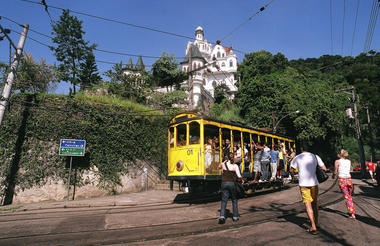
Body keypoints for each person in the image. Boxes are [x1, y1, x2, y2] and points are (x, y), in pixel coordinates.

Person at [290, 142, 327, 235]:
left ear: (301, 148)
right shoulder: (315, 156)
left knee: (307, 205)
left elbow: (291, 170)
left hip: (303, 184)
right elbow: (324, 168)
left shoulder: (297, 158)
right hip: (314, 183)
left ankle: (313, 225)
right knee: (315, 203)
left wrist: (293, 178)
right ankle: (317, 222)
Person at [218, 152, 242, 224]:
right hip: (232, 184)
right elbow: (239, 176)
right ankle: (235, 217)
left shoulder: (224, 164)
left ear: (227, 157)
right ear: (233, 157)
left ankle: (222, 216)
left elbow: (219, 167)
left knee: (224, 200)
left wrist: (224, 162)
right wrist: (241, 180)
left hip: (224, 183)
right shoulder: (235, 166)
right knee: (234, 199)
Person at [332, 149, 356, 219]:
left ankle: (352, 213)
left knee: (347, 197)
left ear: (339, 155)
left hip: (342, 180)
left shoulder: (337, 161)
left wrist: (333, 176)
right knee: (349, 196)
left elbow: (335, 171)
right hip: (349, 180)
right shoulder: (349, 161)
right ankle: (351, 210)